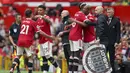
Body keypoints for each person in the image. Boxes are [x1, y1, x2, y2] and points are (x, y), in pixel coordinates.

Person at [10, 9, 58, 73]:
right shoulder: (33, 22)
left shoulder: (23, 22)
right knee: (30, 57)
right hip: (27, 41)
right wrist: (50, 37)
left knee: (18, 56)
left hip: (20, 40)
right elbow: (40, 32)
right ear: (31, 15)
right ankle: (30, 72)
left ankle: (12, 68)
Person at [35, 5, 61, 73]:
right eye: (38, 10)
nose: (39, 11)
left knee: (48, 55)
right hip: (41, 40)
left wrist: (41, 16)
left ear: (44, 11)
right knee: (43, 57)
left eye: (40, 10)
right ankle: (45, 71)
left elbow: (49, 22)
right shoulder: (37, 20)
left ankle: (58, 68)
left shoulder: (46, 17)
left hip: (47, 40)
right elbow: (37, 31)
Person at [95, 6, 120, 73]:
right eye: (107, 12)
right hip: (104, 41)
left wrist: (117, 41)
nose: (108, 13)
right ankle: (104, 71)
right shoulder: (104, 19)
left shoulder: (116, 20)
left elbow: (118, 32)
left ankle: (112, 71)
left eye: (110, 12)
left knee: (111, 59)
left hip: (112, 42)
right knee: (103, 57)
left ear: (113, 12)